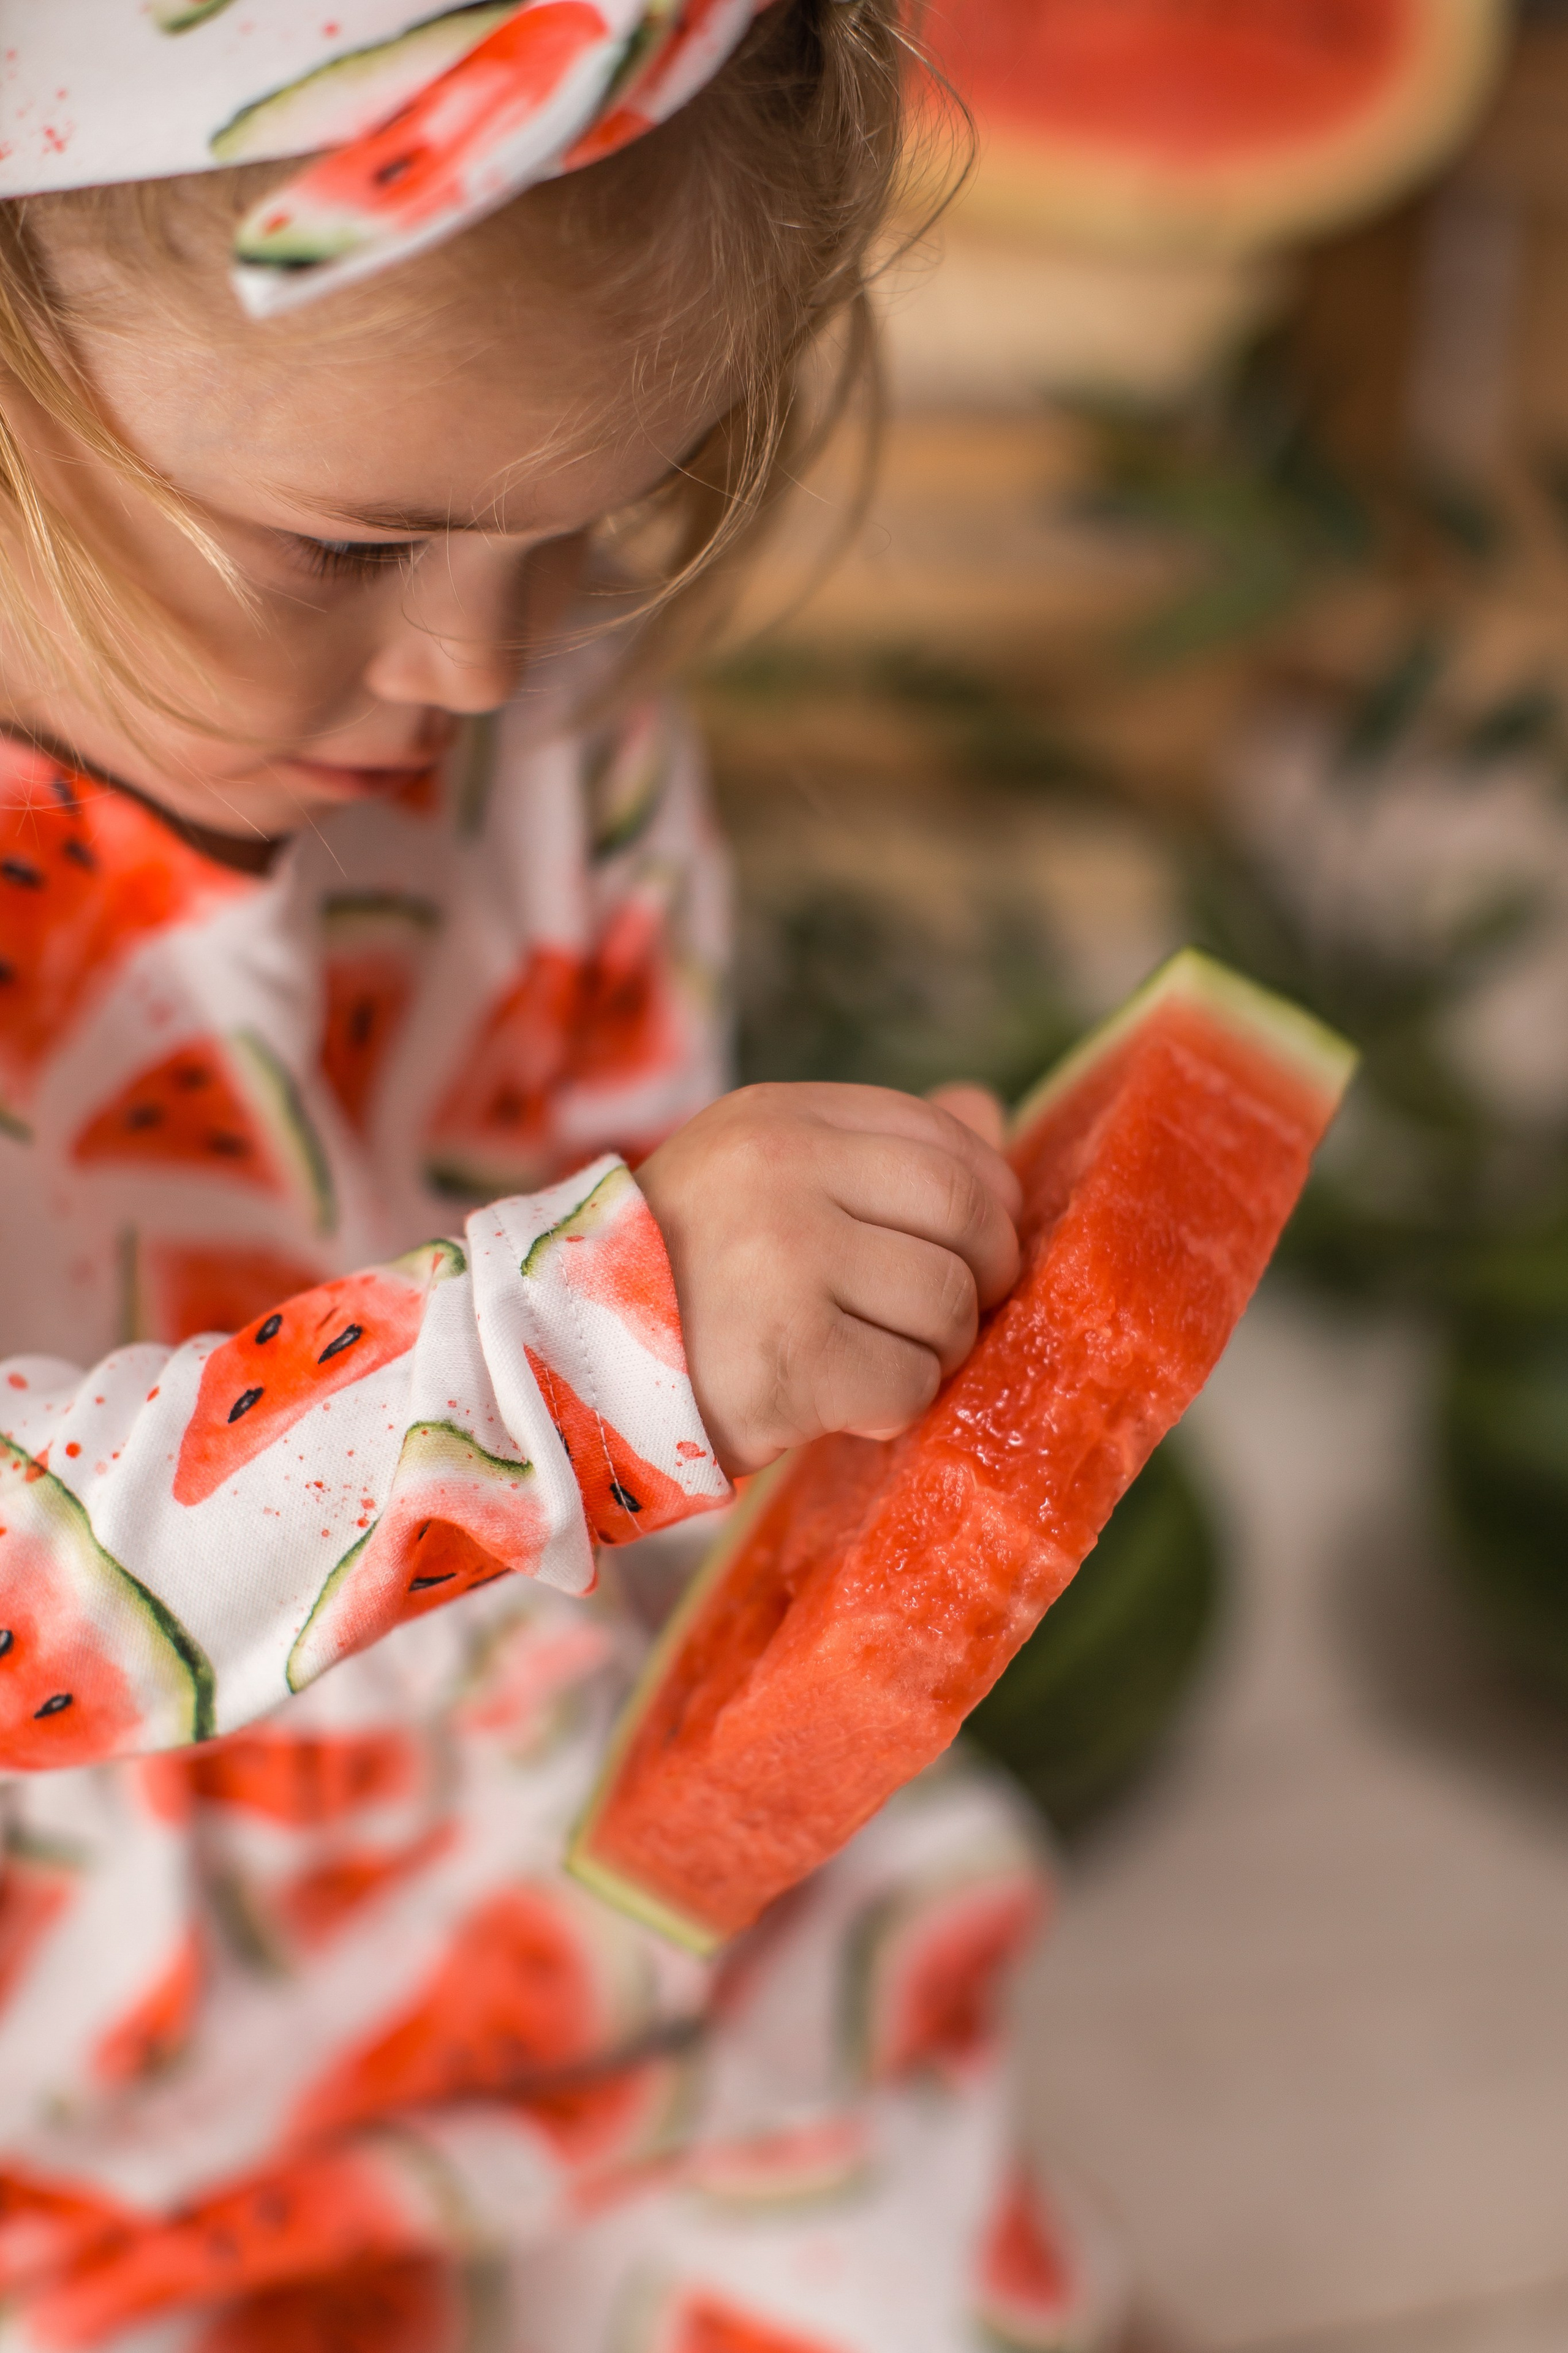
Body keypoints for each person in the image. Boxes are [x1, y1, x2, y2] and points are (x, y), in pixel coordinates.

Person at [0, 5, 1123, 2346]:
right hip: (71, 2090)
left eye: (590, 511)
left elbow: (631, 1175)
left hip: (611, 1887)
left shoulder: (542, 702)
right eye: (344, 542)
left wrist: (853, 1321)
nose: (473, 665)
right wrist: (576, 1348)